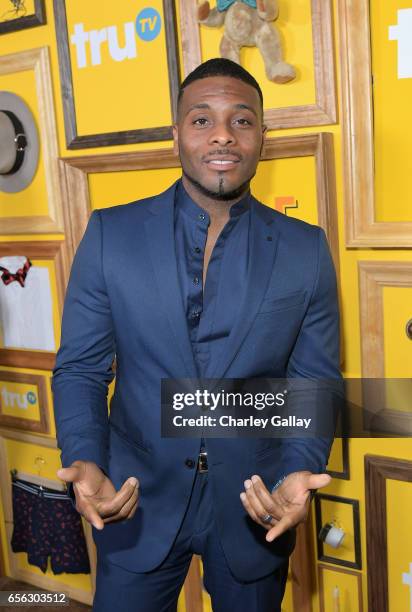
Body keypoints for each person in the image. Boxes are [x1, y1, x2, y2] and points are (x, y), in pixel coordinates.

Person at [52, 58, 341, 612]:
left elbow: (315, 379)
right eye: (202, 119)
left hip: (258, 500)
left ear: (263, 136)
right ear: (176, 133)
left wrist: (301, 465)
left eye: (242, 120)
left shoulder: (307, 248)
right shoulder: (111, 234)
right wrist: (85, 456)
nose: (223, 136)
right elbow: (82, 368)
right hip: (134, 496)